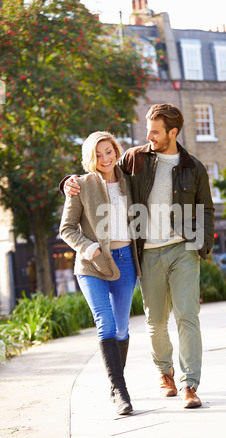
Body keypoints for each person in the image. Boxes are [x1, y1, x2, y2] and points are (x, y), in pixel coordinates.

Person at [62, 104, 215, 409]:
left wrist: (202, 245)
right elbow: (97, 173)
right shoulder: (136, 158)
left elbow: (206, 209)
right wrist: (66, 183)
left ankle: (189, 384)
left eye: (155, 131)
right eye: (147, 129)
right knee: (155, 322)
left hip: (182, 248)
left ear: (172, 132)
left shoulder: (194, 167)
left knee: (187, 316)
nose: (148, 136)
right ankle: (165, 373)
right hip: (146, 252)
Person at [59, 131, 141, 415]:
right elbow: (66, 228)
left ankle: (114, 384)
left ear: (117, 150)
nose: (105, 158)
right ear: (90, 158)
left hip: (126, 261)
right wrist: (89, 247)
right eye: (98, 154)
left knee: (121, 328)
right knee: (105, 323)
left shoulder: (130, 182)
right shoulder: (80, 185)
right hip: (91, 263)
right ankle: (120, 391)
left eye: (109, 151)